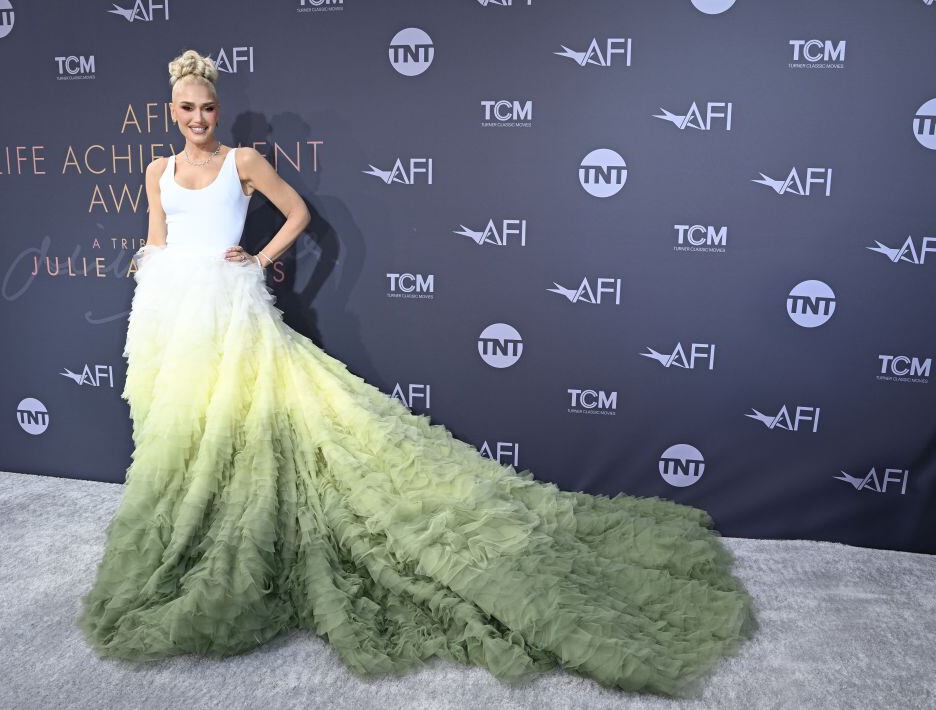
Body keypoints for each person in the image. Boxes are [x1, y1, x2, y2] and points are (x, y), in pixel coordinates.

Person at [76, 49, 756, 697]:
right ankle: (197, 533)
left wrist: (255, 259)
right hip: (172, 315)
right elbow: (158, 243)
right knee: (186, 434)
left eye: (207, 108)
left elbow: (301, 216)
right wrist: (155, 289)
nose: (199, 118)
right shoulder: (156, 171)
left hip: (233, 311)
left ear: (218, 110)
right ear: (171, 112)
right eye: (188, 109)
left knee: (263, 431)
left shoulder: (244, 161)